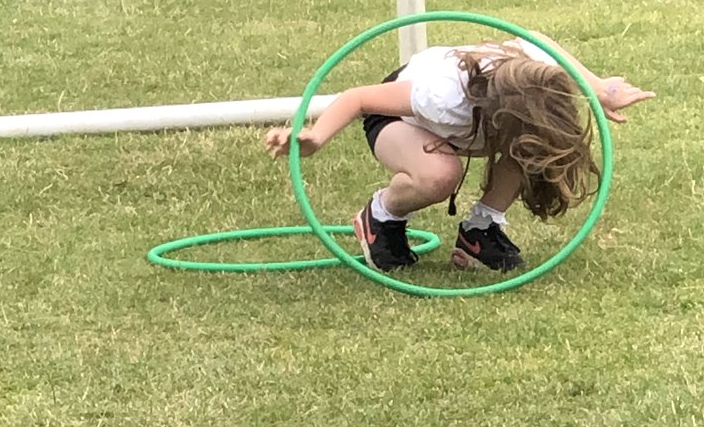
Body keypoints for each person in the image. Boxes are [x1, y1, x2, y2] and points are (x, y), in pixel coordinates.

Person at [265, 33, 654, 274]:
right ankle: (381, 215)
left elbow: (537, 38)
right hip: (397, 117)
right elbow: (360, 98)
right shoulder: (442, 93)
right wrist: (315, 138)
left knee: (536, 147)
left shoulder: (538, 74)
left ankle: (480, 230)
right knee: (439, 174)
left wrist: (599, 88)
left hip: (481, 121)